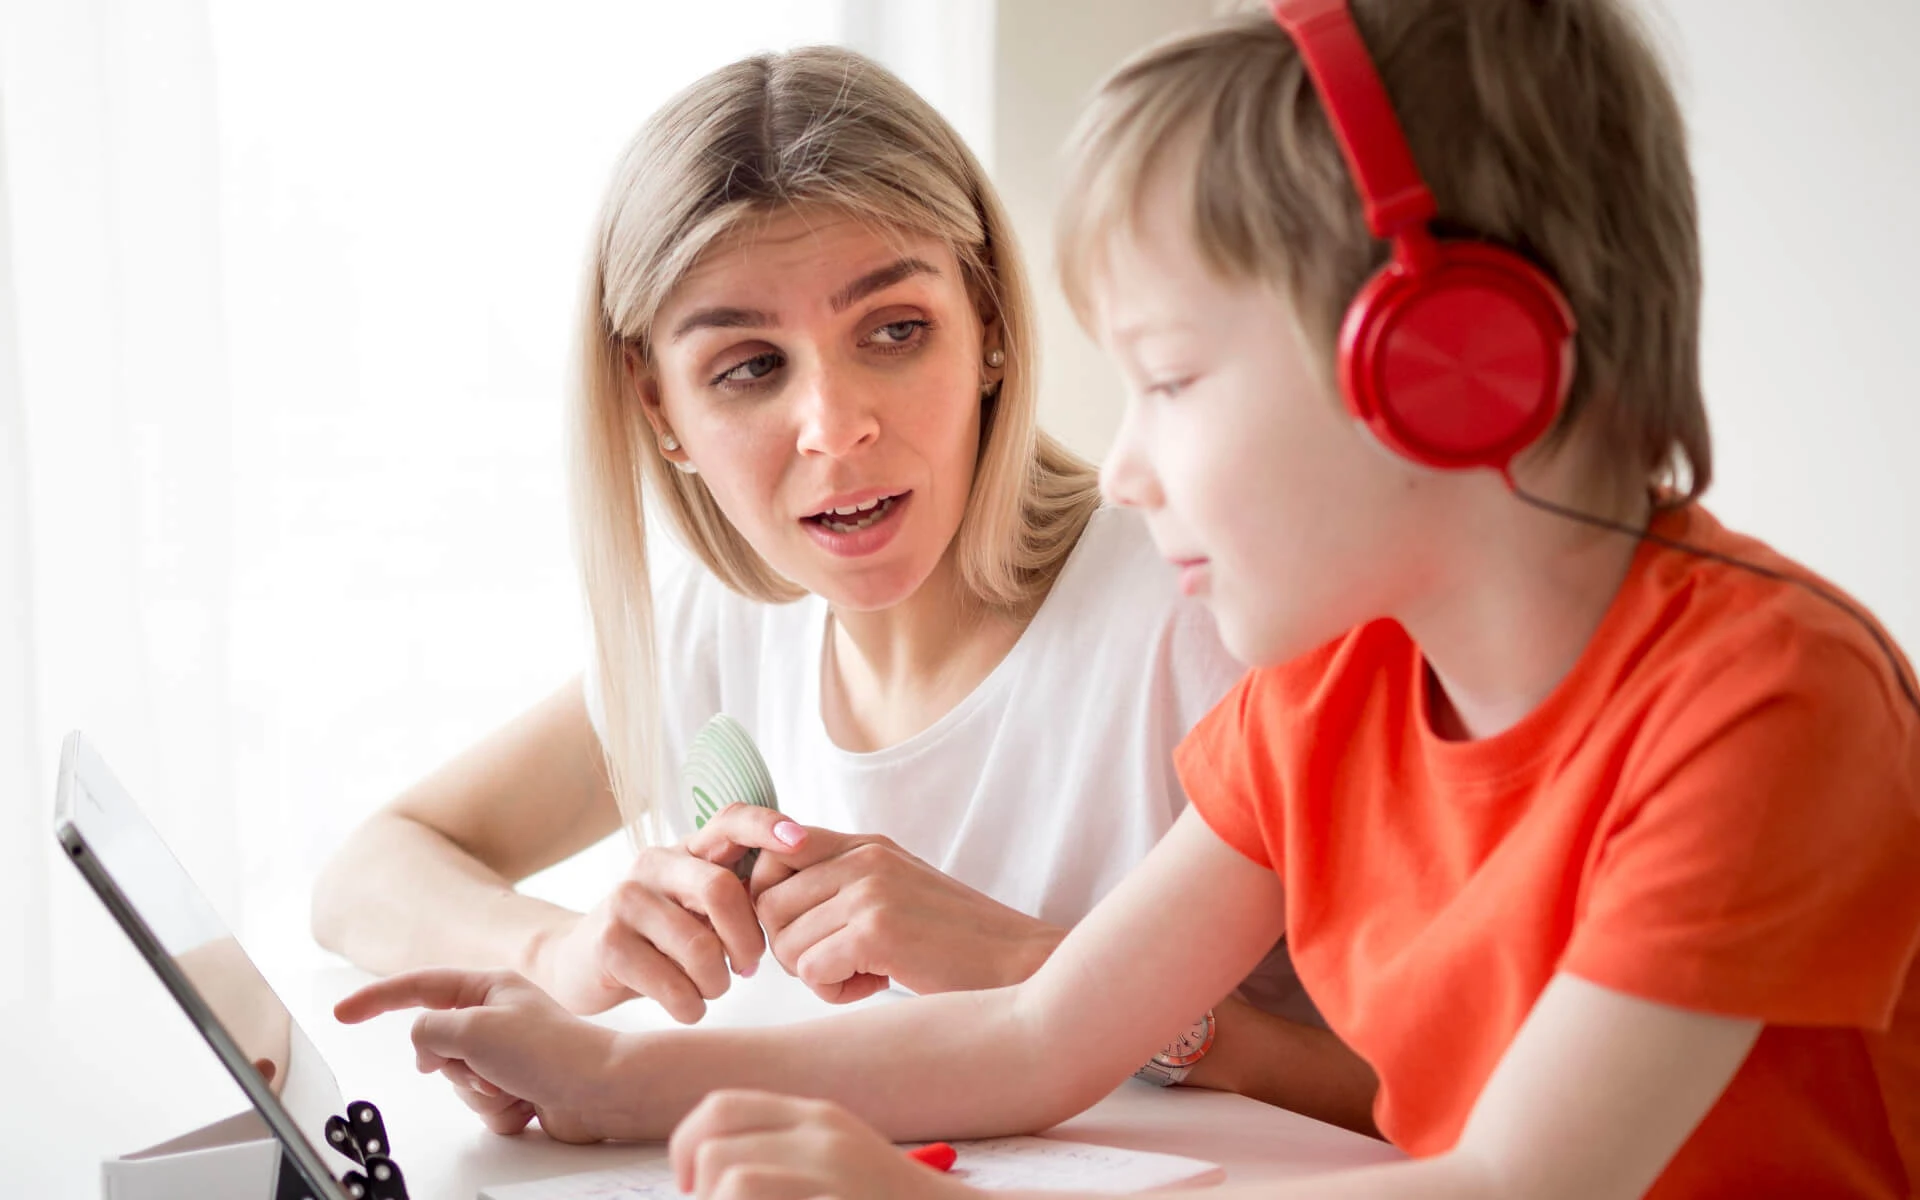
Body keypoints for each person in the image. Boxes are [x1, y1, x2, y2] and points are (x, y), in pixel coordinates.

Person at [336, 1, 1920, 1195]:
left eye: (1168, 380)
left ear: (1443, 373)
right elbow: (1038, 1036)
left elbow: (1510, 1190)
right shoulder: (1332, 684)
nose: (1130, 466)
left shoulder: (1772, 707)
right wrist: (606, 1071)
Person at [311, 44, 1371, 1128]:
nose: (836, 426)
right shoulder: (721, 626)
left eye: (896, 332)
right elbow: (365, 875)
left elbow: (1455, 1102)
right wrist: (564, 952)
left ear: (992, 324)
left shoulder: (1206, 613)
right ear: (659, 405)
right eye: (751, 367)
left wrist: (1042, 969)